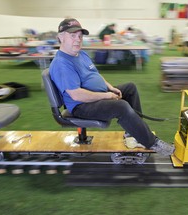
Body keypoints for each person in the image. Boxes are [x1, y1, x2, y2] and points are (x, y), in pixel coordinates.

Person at [49, 18, 175, 156]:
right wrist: (107, 95)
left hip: (95, 96)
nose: (78, 39)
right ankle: (152, 143)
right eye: (72, 36)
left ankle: (133, 135)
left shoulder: (80, 54)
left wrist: (110, 87)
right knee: (121, 106)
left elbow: (95, 74)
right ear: (61, 37)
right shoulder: (62, 63)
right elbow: (76, 95)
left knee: (130, 88)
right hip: (81, 106)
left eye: (80, 35)